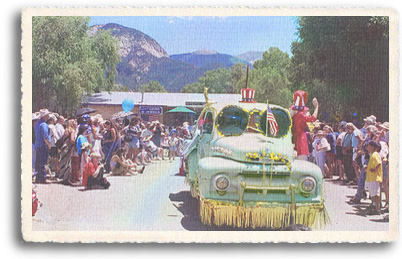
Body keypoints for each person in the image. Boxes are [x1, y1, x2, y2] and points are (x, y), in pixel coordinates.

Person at [290, 90, 319, 161]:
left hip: (294, 139)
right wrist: (316, 107)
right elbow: (313, 118)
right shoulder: (300, 115)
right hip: (301, 141)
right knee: (302, 162)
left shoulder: (293, 116)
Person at [365, 140, 383, 215]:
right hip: (371, 177)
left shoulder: (375, 154)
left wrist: (374, 169)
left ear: (372, 146)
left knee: (375, 194)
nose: (367, 147)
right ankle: (375, 207)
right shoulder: (372, 154)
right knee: (373, 194)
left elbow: (378, 163)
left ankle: (377, 209)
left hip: (374, 177)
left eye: (368, 145)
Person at [34, 109, 52, 183]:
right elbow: (45, 136)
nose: (48, 116)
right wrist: (49, 145)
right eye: (47, 115)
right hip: (43, 145)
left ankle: (38, 177)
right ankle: (43, 178)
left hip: (37, 144)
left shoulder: (37, 123)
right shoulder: (44, 124)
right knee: (43, 162)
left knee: (38, 162)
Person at [58, 119, 77, 185]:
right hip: (69, 147)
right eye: (74, 122)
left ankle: (62, 177)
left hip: (64, 147)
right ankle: (66, 178)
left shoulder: (66, 130)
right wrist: (76, 144)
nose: (76, 123)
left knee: (63, 162)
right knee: (68, 163)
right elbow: (72, 140)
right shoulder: (72, 131)